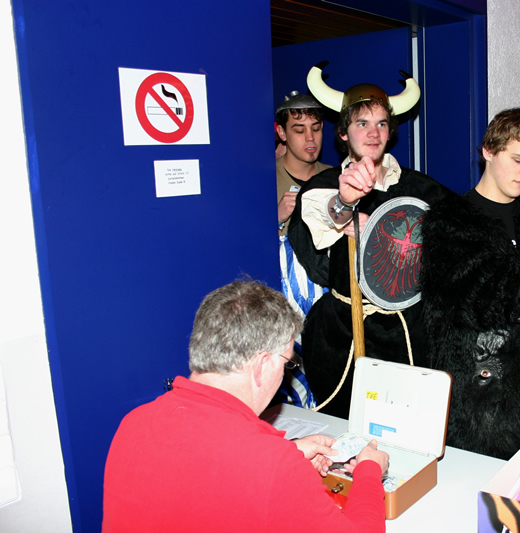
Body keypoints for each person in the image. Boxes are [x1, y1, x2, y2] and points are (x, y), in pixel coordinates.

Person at [102, 280, 389, 532]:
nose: (285, 374)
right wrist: (369, 472)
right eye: (286, 363)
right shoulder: (272, 466)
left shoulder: (134, 423)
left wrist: (288, 452)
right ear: (262, 365)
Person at [287, 63, 452, 418]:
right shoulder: (322, 186)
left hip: (410, 330)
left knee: (409, 423)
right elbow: (323, 215)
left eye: (381, 123)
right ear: (343, 133)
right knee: (345, 425)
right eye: (362, 123)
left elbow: (460, 239)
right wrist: (344, 203)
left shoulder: (421, 188)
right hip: (343, 333)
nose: (373, 133)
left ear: (391, 131)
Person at [419, 108, 520, 460]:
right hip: (476, 399)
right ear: (488, 151)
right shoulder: (450, 222)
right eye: (518, 160)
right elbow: (469, 295)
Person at [274, 91, 332, 409]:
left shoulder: (337, 179)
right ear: (281, 133)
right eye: (299, 130)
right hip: (284, 313)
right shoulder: (262, 179)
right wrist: (275, 218)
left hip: (328, 309)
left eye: (316, 128)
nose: (310, 139)